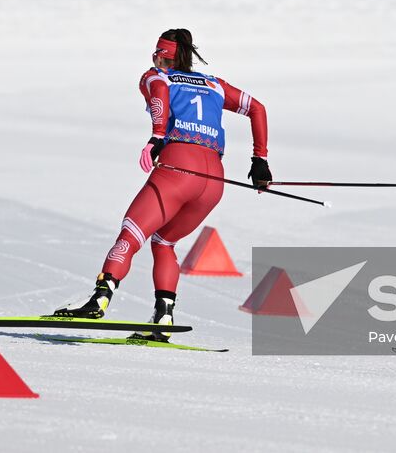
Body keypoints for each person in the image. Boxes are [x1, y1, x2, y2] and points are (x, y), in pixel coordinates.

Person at [53, 29, 270, 340]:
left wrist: (156, 138)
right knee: (164, 242)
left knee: (132, 232)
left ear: (165, 55)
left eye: (158, 54)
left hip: (177, 169)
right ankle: (163, 318)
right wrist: (260, 161)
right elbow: (257, 108)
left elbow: (159, 97)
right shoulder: (216, 85)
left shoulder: (156, 76)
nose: (154, 59)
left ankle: (99, 300)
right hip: (212, 182)